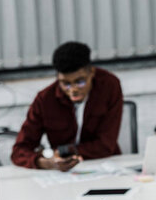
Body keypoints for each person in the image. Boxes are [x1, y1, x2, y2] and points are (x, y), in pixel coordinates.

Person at [11, 41, 123, 171]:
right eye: (66, 83)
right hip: (63, 172)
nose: (73, 90)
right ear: (58, 79)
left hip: (105, 165)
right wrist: (44, 163)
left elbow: (105, 145)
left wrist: (66, 151)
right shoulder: (45, 100)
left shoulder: (109, 86)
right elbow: (19, 151)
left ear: (91, 73)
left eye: (80, 82)